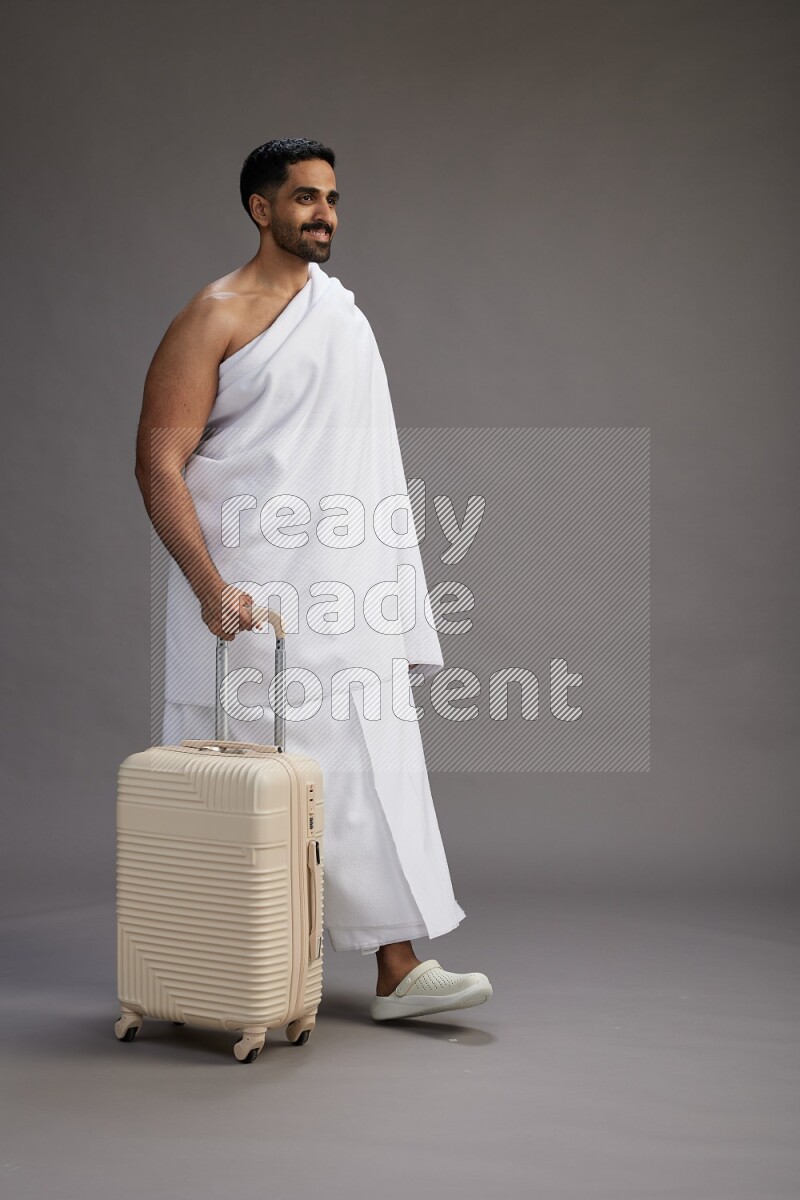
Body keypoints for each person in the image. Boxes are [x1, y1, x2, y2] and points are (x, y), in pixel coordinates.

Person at [133, 137, 492, 1021]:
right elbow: (157, 460)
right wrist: (212, 587)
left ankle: (398, 969)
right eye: (303, 198)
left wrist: (390, 588)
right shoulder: (210, 316)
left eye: (330, 197)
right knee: (246, 776)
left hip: (345, 586)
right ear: (261, 209)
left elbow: (367, 467)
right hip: (250, 595)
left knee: (369, 768)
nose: (323, 213)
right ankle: (213, 968)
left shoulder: (341, 315)